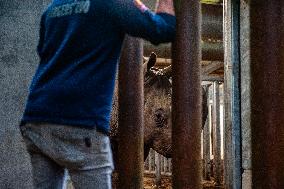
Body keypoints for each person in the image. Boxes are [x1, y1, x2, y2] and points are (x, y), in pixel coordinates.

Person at [20, 0, 175, 188]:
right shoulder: (112, 3)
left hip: (35, 119)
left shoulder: (53, 8)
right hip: (80, 121)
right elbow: (163, 29)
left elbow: (46, 52)